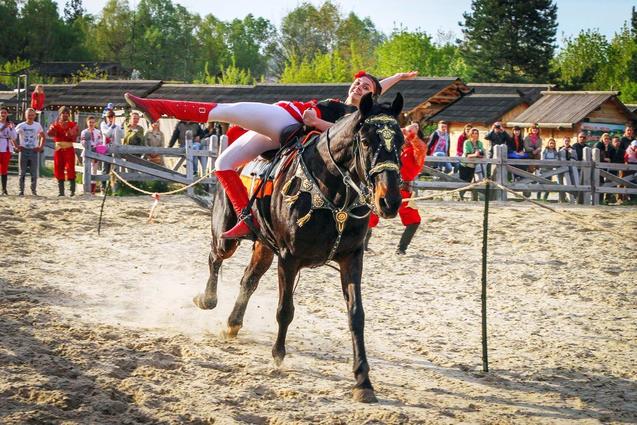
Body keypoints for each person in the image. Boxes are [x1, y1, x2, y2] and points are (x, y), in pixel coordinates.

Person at [125, 70, 418, 239]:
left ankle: (159, 107)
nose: (358, 87)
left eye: (365, 87)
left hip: (286, 122)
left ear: (371, 95)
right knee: (223, 162)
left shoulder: (358, 119)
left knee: (229, 111)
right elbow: (374, 87)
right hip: (285, 127)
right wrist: (398, 77)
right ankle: (245, 219)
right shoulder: (339, 104)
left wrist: (316, 123)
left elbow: (345, 132)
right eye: (357, 83)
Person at [365, 123, 426, 255]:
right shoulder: (396, 148)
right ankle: (363, 246)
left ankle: (401, 249)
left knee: (414, 221)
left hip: (403, 190)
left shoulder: (417, 151)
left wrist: (412, 133)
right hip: (383, 187)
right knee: (370, 217)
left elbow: (420, 148)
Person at [47, 106, 79, 196]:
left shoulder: (73, 124)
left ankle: (72, 191)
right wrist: (51, 130)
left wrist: (71, 133)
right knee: (58, 168)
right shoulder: (55, 124)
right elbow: (49, 134)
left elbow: (74, 136)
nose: (65, 115)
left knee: (70, 168)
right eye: (63, 113)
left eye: (66, 113)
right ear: (59, 114)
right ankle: (61, 192)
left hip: (69, 148)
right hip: (58, 149)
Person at [15, 108, 45, 196]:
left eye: (32, 115)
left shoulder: (37, 125)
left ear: (35, 116)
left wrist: (40, 146)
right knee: (22, 172)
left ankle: (33, 190)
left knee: (34, 172)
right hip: (23, 150)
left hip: (34, 150)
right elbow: (13, 135)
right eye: (29, 115)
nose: (30, 117)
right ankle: (21, 190)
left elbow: (43, 136)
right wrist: (16, 146)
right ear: (25, 116)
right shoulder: (21, 125)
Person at [80, 115, 104, 195]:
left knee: (94, 171)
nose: (91, 124)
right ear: (87, 123)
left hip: (95, 153)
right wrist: (90, 147)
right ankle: (86, 189)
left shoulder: (97, 132)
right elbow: (83, 143)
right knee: (86, 170)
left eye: (93, 122)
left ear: (95, 123)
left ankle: (93, 190)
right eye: (90, 122)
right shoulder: (84, 132)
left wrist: (96, 149)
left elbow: (100, 142)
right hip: (87, 153)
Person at [459, 127, 485, 200]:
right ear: (470, 134)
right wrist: (475, 154)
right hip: (465, 164)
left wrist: (479, 154)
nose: (475, 134)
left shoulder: (480, 143)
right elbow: (467, 154)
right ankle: (461, 196)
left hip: (473, 165)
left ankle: (473, 197)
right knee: (463, 182)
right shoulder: (467, 142)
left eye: (476, 133)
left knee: (470, 181)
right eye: (473, 133)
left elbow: (482, 153)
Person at [0, 107, 17, 195]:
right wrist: (3, 127)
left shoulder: (10, 124)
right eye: (2, 113)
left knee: (4, 169)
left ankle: (4, 189)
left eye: (5, 113)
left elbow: (14, 137)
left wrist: (11, 128)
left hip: (6, 147)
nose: (3, 114)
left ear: (7, 114)